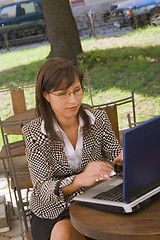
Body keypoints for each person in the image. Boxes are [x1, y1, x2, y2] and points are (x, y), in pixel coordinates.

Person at [22, 57, 123, 240]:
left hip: (95, 199)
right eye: (63, 94)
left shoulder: (97, 119)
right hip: (52, 209)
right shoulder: (33, 133)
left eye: (77, 90)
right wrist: (79, 180)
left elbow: (115, 153)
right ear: (46, 95)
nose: (73, 100)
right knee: (63, 234)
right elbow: (43, 188)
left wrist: (123, 159)